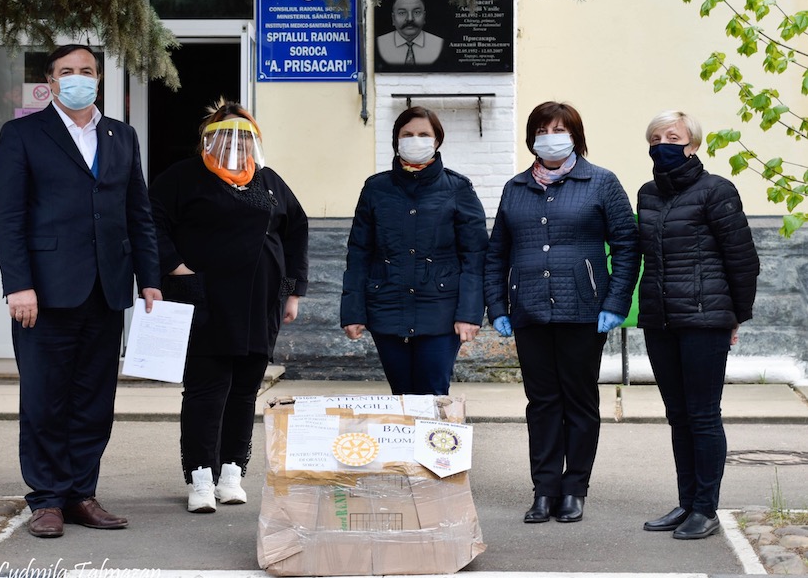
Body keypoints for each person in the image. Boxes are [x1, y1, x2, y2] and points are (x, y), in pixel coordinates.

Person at [0, 44, 162, 538]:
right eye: (67, 71)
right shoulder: (23, 134)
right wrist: (18, 285)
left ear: (99, 80)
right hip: (42, 293)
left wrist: (149, 278)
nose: (78, 77)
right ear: (51, 81)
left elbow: (139, 214)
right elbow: (8, 217)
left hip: (107, 289)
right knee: (45, 398)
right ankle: (46, 500)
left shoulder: (120, 135)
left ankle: (81, 494)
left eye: (87, 70)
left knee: (93, 399)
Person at [149, 99, 308, 513]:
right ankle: (200, 477)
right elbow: (150, 223)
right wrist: (175, 267)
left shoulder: (269, 181)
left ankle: (232, 472)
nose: (235, 146)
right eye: (225, 137)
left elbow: (296, 233)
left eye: (244, 138)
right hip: (205, 301)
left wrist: (292, 291)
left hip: (261, 304)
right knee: (206, 391)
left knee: (243, 392)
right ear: (208, 139)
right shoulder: (184, 178)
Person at [484, 101, 639, 524]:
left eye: (560, 129)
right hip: (529, 311)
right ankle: (544, 489)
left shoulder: (601, 182)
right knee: (542, 403)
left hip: (584, 313)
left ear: (575, 135)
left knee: (579, 401)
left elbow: (627, 245)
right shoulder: (516, 187)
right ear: (532, 137)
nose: (550, 135)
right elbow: (497, 251)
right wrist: (498, 306)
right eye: (542, 129)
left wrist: (615, 303)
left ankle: (575, 489)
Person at [638, 111, 759, 540]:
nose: (662, 143)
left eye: (673, 136)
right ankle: (687, 502)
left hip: (706, 321)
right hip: (661, 321)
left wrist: (735, 316)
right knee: (678, 416)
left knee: (703, 416)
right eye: (655, 137)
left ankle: (706, 509)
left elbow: (742, 259)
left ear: (693, 145)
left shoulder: (717, 190)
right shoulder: (648, 194)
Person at [341, 106, 487, 395]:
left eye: (423, 134)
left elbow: (475, 256)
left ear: (437, 141)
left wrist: (470, 313)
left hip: (441, 312)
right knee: (401, 397)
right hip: (387, 309)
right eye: (407, 134)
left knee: (432, 395)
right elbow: (358, 253)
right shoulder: (375, 188)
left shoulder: (458, 188)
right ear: (396, 140)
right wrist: (352, 311)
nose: (415, 140)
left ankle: (434, 441)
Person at [376, 0, 444, 66]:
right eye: (402, 13)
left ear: (424, 17)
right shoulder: (376, 45)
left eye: (416, 12)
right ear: (393, 18)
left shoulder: (441, 44)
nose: (410, 19)